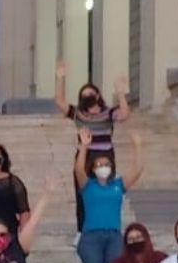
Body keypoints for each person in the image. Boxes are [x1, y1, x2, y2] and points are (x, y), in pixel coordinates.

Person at [75, 129, 144, 263]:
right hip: (91, 237)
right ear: (93, 168)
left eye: (105, 164)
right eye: (98, 165)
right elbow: (78, 170)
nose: (102, 167)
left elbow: (137, 170)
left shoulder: (117, 185)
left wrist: (138, 146)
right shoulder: (88, 185)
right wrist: (84, 146)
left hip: (114, 236)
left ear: (111, 167)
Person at [55, 62, 131, 240]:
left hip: (105, 157)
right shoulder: (78, 113)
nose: (87, 96)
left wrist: (120, 93)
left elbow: (125, 114)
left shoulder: (108, 113)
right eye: (84, 95)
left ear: (97, 95)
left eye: (90, 93)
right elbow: (59, 102)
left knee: (107, 192)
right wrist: (60, 78)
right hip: (84, 156)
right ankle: (81, 231)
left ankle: (109, 227)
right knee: (82, 193)